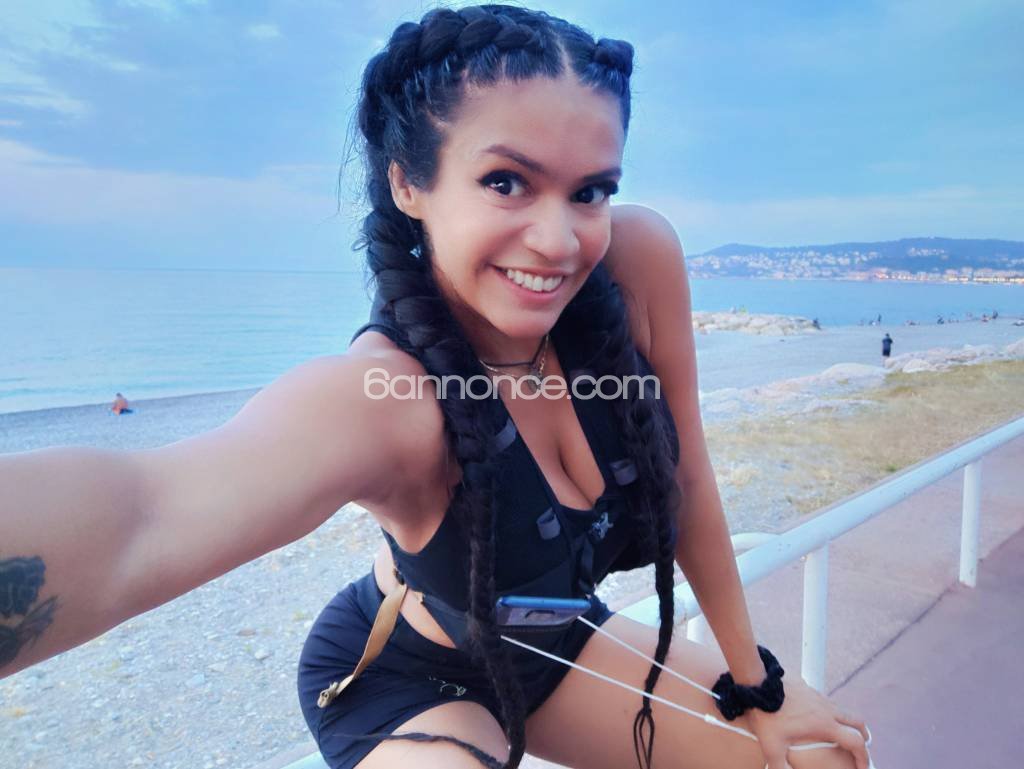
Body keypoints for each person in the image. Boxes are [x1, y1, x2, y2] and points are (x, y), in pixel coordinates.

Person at [0, 6, 871, 769]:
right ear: (408, 183)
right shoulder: (389, 398)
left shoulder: (636, 262)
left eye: (590, 191)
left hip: (556, 650)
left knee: (821, 756)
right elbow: (144, 513)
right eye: (505, 181)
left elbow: (688, 480)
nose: (559, 239)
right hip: (405, 672)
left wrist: (757, 683)